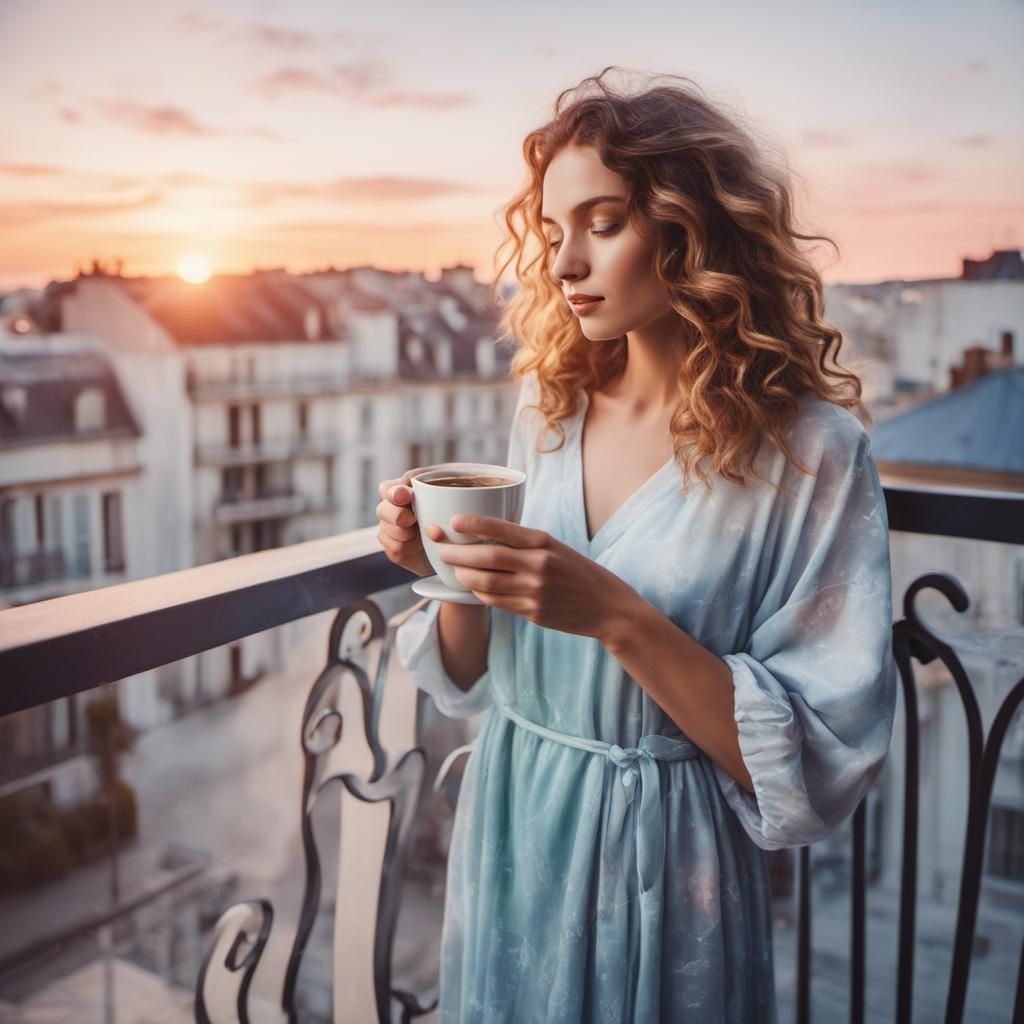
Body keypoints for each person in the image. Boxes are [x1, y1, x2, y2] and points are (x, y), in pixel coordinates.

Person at [377, 67, 897, 1023]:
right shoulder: (548, 405)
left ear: (689, 227)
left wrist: (614, 615)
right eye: (551, 232)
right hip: (512, 821)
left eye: (603, 223)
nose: (565, 263)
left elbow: (820, 763)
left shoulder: (813, 454)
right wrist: (443, 570)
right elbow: (482, 676)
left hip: (672, 864)